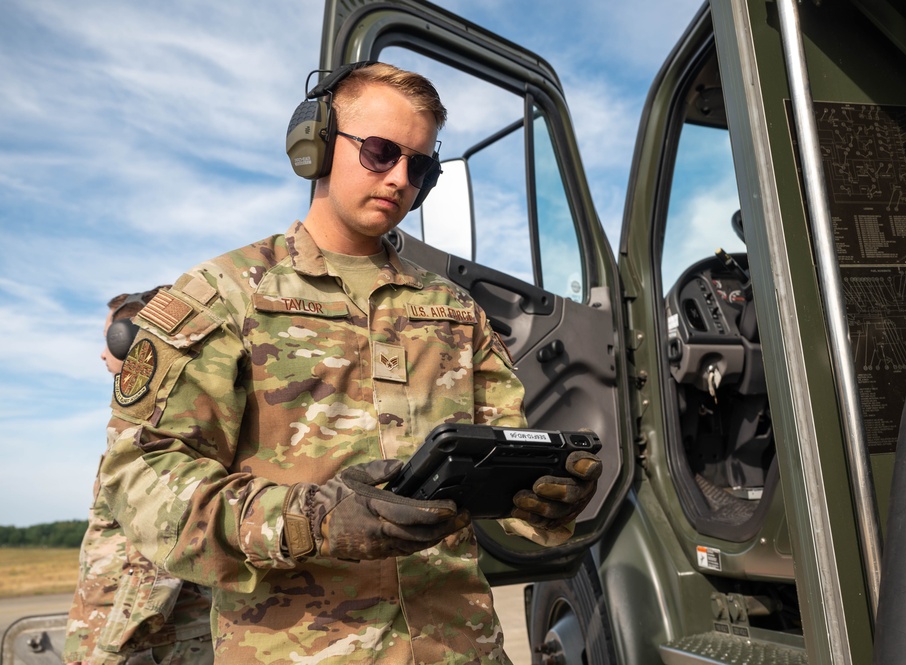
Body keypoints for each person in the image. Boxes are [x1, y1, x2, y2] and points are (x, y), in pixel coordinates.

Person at [99, 62, 601, 664]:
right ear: (313, 145)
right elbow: (140, 481)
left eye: (420, 166)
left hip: (460, 649)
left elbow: (500, 462)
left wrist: (542, 503)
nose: (399, 179)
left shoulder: (454, 311)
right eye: (381, 152)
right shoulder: (222, 296)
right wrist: (311, 521)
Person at [65, 286, 213, 665]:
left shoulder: (156, 428)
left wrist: (115, 650)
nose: (102, 353)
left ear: (132, 338)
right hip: (132, 630)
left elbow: (151, 554)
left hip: (145, 639)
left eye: (108, 339)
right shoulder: (145, 422)